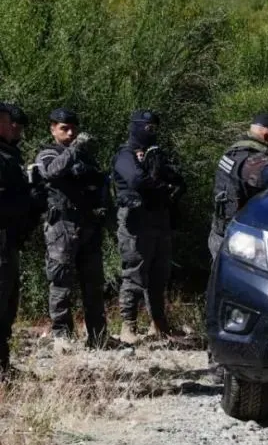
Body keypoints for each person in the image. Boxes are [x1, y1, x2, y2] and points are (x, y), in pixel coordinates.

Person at [35, 108, 110, 352]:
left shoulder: (85, 157)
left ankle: (98, 337)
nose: (70, 132)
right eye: (64, 128)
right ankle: (62, 335)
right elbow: (52, 171)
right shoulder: (47, 153)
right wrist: (74, 149)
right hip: (62, 227)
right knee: (61, 282)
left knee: (93, 284)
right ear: (53, 129)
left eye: (73, 128)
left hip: (88, 224)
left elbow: (98, 182)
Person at [112, 110, 186, 345]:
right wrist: (161, 185)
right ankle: (128, 325)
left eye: (154, 128)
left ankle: (159, 324)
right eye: (147, 128)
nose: (151, 132)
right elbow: (135, 180)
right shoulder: (125, 154)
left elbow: (175, 178)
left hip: (158, 219)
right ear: (136, 127)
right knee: (134, 272)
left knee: (159, 274)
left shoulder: (156, 154)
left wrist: (172, 184)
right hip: (137, 221)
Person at [0, 104, 45, 376]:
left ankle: (3, 365)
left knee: (7, 302)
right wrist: (29, 199)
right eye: (6, 121)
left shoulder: (8, 154)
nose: (11, 126)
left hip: (9, 238)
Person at [209, 113, 268, 261]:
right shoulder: (253, 162)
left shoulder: (236, 151)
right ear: (267, 136)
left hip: (222, 233)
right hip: (239, 241)